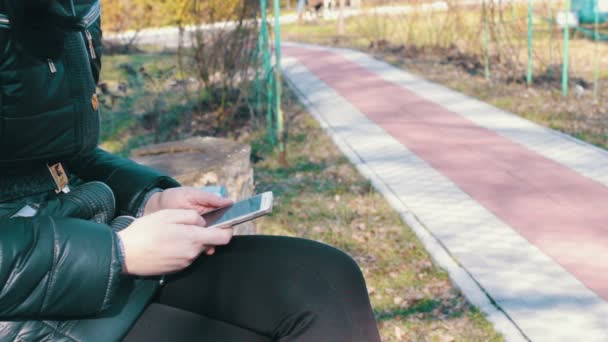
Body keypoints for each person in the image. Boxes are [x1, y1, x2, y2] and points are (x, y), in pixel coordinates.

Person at [0, 0, 382, 341]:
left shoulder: (73, 8)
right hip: (29, 300)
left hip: (83, 249)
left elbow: (62, 155)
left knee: (325, 282)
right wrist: (117, 254)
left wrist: (150, 198)